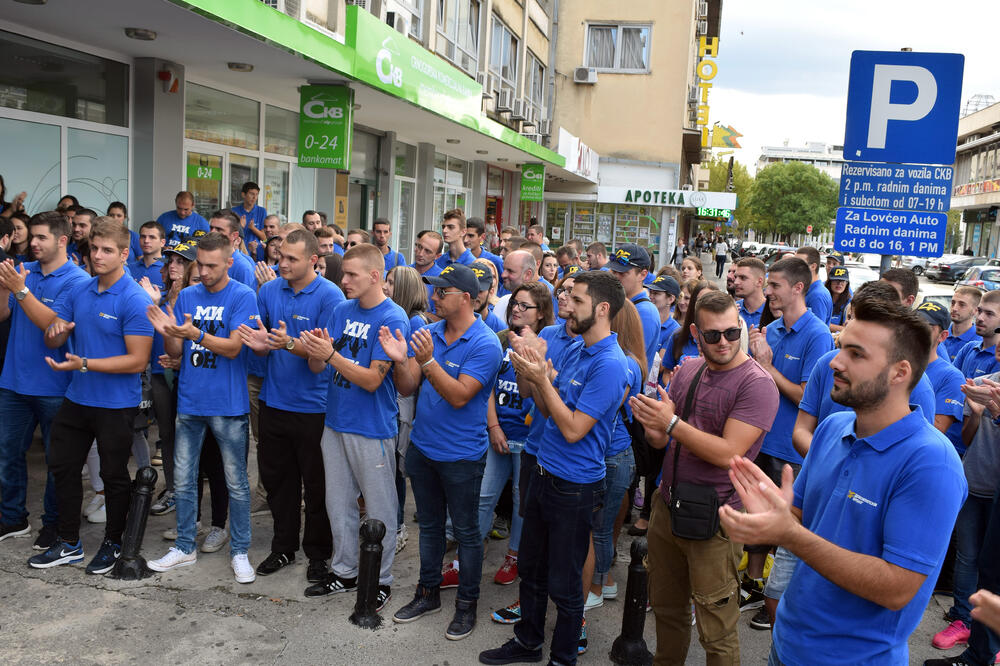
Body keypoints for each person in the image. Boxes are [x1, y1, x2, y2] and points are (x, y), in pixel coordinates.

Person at [721, 294, 967, 666]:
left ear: (900, 372)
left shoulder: (932, 463)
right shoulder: (833, 427)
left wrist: (789, 534)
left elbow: (897, 588)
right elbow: (801, 518)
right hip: (787, 646)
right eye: (841, 347)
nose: (835, 361)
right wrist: (774, 515)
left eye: (856, 354)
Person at [479, 271, 628, 666]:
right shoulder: (578, 349)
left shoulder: (611, 364)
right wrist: (530, 368)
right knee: (531, 569)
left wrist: (542, 379)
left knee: (565, 584)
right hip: (544, 471)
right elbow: (545, 409)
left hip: (574, 487)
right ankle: (528, 642)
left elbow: (574, 429)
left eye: (577, 300)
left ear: (602, 309)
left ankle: (563, 657)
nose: (568, 305)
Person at [626, 289, 779, 664]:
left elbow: (729, 454)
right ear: (695, 333)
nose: (724, 342)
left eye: (732, 332)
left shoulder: (757, 383)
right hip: (668, 505)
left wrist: (670, 424)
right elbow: (664, 440)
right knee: (667, 610)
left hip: (717, 518)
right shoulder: (691, 369)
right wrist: (655, 428)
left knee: (716, 630)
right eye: (713, 335)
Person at [28, 217, 154, 574]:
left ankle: (114, 543)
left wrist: (85, 363)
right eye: (94, 249)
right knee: (63, 468)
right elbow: (53, 334)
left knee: (114, 476)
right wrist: (57, 332)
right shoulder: (81, 290)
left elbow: (137, 360)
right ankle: (69, 542)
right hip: (78, 398)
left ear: (124, 254)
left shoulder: (134, 298)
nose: (97, 256)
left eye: (107, 250)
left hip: (115, 404)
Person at [384, 263, 502, 640]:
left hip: (462, 456)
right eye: (434, 290)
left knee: (466, 533)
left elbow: (460, 396)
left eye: (442, 292)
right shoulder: (429, 331)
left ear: (466, 298)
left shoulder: (486, 343)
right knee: (430, 528)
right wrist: (399, 359)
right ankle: (427, 593)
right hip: (423, 448)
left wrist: (428, 361)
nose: (434, 297)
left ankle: (467, 604)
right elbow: (407, 387)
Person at [145, 231, 259, 583]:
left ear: (229, 263)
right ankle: (184, 546)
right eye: (201, 265)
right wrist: (169, 331)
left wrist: (195, 334)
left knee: (236, 483)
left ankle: (240, 550)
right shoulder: (188, 295)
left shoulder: (243, 296)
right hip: (191, 402)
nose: (205, 272)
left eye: (212, 266)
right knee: (183, 479)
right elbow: (175, 352)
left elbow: (234, 348)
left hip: (228, 405)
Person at [237, 229, 344, 582]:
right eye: (280, 256)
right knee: (278, 483)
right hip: (274, 401)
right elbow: (264, 339)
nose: (281, 263)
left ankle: (318, 554)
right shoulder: (269, 291)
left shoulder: (330, 296)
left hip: (315, 408)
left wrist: (286, 343)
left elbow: (322, 355)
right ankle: (283, 547)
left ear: (313, 260)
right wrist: (260, 343)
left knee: (317, 487)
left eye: (291, 259)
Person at [742, 256, 832, 621]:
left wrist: (766, 366)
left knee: (786, 526)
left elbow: (805, 396)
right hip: (761, 439)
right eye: (768, 285)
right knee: (757, 517)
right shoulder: (772, 329)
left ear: (798, 288)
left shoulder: (817, 334)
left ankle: (779, 599)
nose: (768, 292)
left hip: (789, 449)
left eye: (775, 285)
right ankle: (753, 585)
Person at [0, 212, 90, 548]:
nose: (32, 243)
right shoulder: (25, 270)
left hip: (55, 386)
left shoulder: (77, 280)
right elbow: (3, 314)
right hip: (13, 381)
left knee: (58, 462)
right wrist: (4, 289)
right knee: (7, 454)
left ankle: (53, 524)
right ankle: (12, 517)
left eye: (41, 237)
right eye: (31, 236)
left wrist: (20, 289)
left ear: (62, 240)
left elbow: (53, 325)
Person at [477, 281, 553, 588]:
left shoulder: (547, 343)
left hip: (529, 439)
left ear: (541, 312)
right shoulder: (499, 339)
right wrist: (493, 426)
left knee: (523, 503)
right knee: (483, 495)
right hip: (499, 433)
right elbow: (487, 388)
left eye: (525, 306)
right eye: (514, 304)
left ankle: (515, 556)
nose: (517, 310)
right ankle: (471, 549)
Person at [929, 335, 1000, 653]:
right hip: (975, 481)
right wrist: (978, 413)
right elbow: (968, 438)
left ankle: (990, 635)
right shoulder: (984, 384)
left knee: (993, 566)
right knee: (967, 557)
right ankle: (963, 619)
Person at [584, 299, 645, 612]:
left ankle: (597, 584)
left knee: (601, 528)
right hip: (609, 453)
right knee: (599, 526)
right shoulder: (621, 359)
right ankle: (604, 581)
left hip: (613, 454)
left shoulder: (624, 363)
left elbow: (604, 408)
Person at [608, 243, 660, 372]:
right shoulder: (618, 301)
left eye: (623, 273)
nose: (616, 277)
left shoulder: (645, 313)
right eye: (614, 271)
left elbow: (629, 363)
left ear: (642, 274)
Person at [953, 290, 1000, 380]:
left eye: (989, 314)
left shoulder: (998, 357)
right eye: (979, 311)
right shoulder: (968, 348)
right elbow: (950, 382)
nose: (980, 318)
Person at [207, 210, 256, 288]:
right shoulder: (206, 260)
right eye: (211, 228)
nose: (212, 232)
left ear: (234, 235)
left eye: (219, 229)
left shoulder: (242, 268)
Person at [944, 287, 984, 364]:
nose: (954, 308)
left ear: (975, 311)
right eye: (953, 303)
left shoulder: (979, 343)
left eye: (962, 305)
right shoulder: (939, 334)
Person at [794, 246, 833, 325]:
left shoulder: (818, 295)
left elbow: (817, 329)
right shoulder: (808, 290)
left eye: (800, 264)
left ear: (813, 266)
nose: (795, 268)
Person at [411, 229, 444, 315]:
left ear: (437, 256)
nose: (420, 254)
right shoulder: (403, 272)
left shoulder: (442, 279)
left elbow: (441, 316)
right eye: (419, 247)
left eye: (427, 251)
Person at [128, 221, 167, 292]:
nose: (146, 241)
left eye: (152, 237)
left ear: (162, 242)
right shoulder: (129, 269)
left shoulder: (170, 268)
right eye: (143, 237)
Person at [464, 217, 505, 282]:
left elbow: (505, 285)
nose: (465, 240)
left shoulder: (496, 261)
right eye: (464, 235)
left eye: (471, 236)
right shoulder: (455, 259)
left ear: (482, 237)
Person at [232, 181, 267, 254]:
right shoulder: (234, 211)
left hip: (256, 253)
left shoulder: (262, 211)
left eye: (256, 194)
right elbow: (231, 236)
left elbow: (264, 238)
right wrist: (240, 227)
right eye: (251, 194)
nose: (254, 197)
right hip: (239, 252)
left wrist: (253, 228)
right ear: (243, 194)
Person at [733, 257, 767, 330]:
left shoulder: (773, 312)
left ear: (759, 282)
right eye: (735, 277)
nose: (736, 282)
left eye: (743, 278)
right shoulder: (733, 309)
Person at [826, 266, 852, 331]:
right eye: (836, 280)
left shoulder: (850, 303)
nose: (839, 284)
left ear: (847, 283)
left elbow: (848, 329)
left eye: (842, 281)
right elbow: (818, 324)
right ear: (830, 282)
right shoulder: (822, 298)